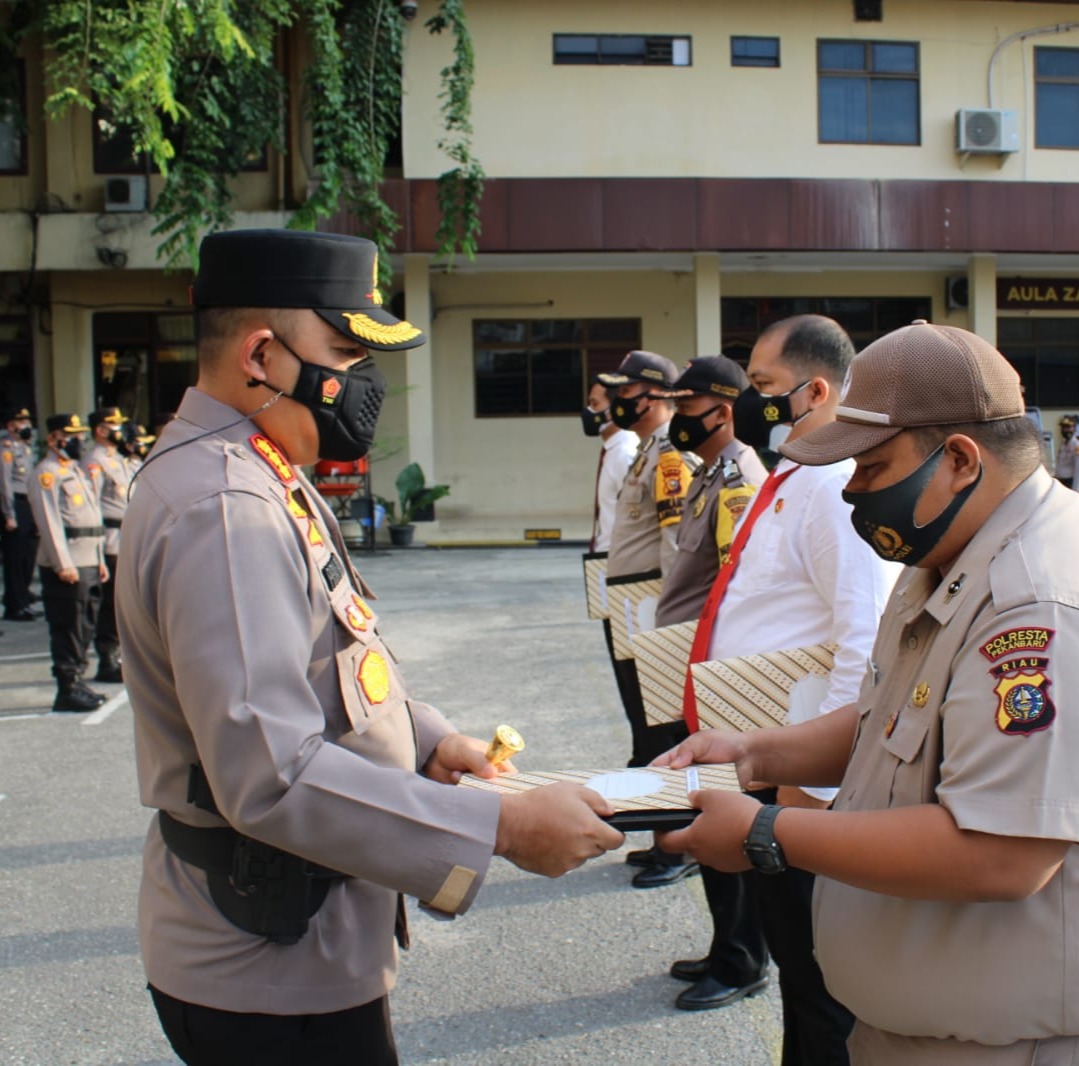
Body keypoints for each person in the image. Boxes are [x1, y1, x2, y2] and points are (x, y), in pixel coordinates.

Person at [117, 228, 622, 1065]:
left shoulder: (257, 468)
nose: (364, 384)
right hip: (266, 967)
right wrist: (499, 827)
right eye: (347, 355)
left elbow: (331, 658)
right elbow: (272, 773)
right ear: (261, 356)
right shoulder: (225, 505)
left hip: (294, 939)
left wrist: (426, 739)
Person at [658, 320, 1079, 1065]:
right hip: (937, 1028)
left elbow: (1001, 853)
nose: (852, 489)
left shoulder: (1044, 602)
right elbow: (889, 720)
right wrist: (755, 755)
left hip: (1023, 1045)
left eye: (872, 467)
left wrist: (766, 832)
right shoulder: (950, 555)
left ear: (960, 461)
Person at [668, 316, 897, 1055]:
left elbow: (865, 640)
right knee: (797, 964)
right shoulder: (794, 476)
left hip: (799, 779)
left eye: (762, 386)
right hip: (765, 751)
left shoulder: (832, 486)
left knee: (820, 981)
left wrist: (810, 790)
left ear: (816, 391)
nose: (748, 401)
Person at [625, 355, 767, 890]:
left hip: (709, 664)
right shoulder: (708, 473)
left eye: (688, 406)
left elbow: (734, 589)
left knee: (717, 803)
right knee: (689, 784)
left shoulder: (737, 481)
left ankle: (735, 940)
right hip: (685, 655)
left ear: (723, 413)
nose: (679, 416)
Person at [597, 349, 694, 767]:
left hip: (650, 607)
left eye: (626, 391)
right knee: (642, 718)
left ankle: (662, 795)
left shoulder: (669, 455)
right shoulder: (647, 450)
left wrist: (667, 622)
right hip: (632, 604)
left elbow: (675, 542)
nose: (617, 400)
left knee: (658, 725)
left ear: (654, 396)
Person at [29, 413, 108, 712]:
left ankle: (78, 680)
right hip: (69, 564)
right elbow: (49, 523)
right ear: (54, 438)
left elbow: (93, 518)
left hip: (89, 560)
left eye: (80, 434)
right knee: (68, 627)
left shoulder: (74, 470)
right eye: (71, 435)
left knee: (85, 625)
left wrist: (100, 559)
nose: (78, 440)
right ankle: (67, 687)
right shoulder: (46, 474)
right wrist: (63, 563)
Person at [82, 406, 134, 681]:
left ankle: (117, 654)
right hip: (110, 539)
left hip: (126, 537)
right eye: (113, 426)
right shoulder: (94, 461)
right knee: (110, 604)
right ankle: (107, 658)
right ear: (100, 430)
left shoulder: (118, 459)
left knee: (124, 602)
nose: (119, 431)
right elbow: (92, 505)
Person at [584, 382, 638, 553]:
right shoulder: (613, 450)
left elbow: (636, 516)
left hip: (620, 555)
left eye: (595, 404)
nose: (589, 411)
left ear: (616, 408)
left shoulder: (625, 454)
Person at [1, 406, 40, 622]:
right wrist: (9, 514)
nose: (27, 425)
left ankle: (24, 598)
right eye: (21, 422)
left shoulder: (25, 447)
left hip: (29, 503)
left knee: (28, 555)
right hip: (16, 503)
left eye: (28, 421)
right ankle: (15, 604)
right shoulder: (6, 449)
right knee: (15, 558)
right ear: (10, 425)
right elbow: (5, 484)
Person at [1053, 415, 1079, 492]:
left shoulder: (1077, 446)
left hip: (1069, 481)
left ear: (1074, 428)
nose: (1065, 430)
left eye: (1068, 427)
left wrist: (1076, 489)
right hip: (1059, 480)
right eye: (1063, 427)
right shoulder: (1062, 444)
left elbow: (1078, 469)